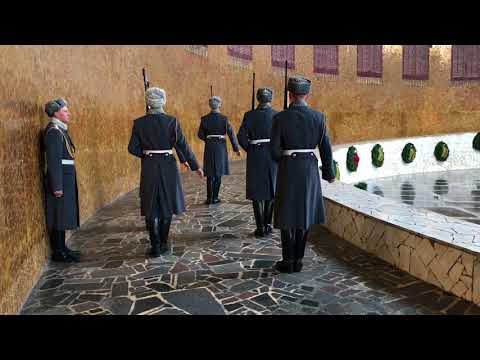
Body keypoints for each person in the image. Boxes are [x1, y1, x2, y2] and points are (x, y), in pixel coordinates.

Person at [270, 76, 336, 273]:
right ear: (307, 94)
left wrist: (282, 158)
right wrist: (329, 173)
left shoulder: (279, 118)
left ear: (290, 95)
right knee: (304, 213)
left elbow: (273, 151)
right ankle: (298, 260)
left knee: (287, 213)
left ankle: (287, 260)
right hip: (309, 170)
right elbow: (326, 148)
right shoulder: (319, 117)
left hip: (288, 169)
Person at [128, 87, 203, 257]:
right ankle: (163, 243)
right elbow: (183, 145)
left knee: (151, 205)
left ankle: (154, 246)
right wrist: (195, 165)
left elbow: (132, 148)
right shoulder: (172, 121)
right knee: (167, 205)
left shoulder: (138, 123)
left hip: (149, 166)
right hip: (168, 166)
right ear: (163, 100)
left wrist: (147, 154)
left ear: (147, 102)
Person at [43, 98, 81, 262]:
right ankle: (58, 251)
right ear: (56, 113)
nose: (68, 113)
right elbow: (53, 161)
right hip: (60, 180)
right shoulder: (54, 131)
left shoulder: (60, 130)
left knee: (63, 214)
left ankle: (63, 247)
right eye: (65, 111)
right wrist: (57, 186)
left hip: (66, 177)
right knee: (58, 215)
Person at [237, 88, 278, 237]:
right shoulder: (276, 115)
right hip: (272, 155)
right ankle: (268, 224)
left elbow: (241, 136)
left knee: (257, 192)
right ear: (270, 98)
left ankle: (260, 227)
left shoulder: (249, 115)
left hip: (255, 155)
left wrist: (251, 148)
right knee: (271, 190)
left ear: (257, 98)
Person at [198, 96, 241, 204]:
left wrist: (208, 139)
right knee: (218, 172)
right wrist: (236, 149)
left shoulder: (204, 119)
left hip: (209, 146)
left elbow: (200, 134)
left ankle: (209, 198)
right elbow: (231, 134)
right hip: (221, 147)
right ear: (220, 105)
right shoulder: (224, 119)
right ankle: (215, 197)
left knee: (209, 173)